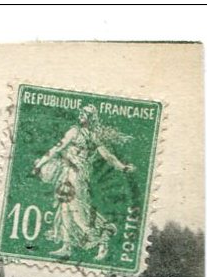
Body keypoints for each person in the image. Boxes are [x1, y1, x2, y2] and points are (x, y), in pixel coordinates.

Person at [32, 104, 135, 261]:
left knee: (77, 211)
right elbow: (56, 149)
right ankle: (67, 247)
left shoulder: (93, 136)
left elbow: (108, 156)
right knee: (65, 209)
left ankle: (103, 236)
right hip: (67, 174)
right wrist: (39, 165)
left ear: (91, 118)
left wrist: (123, 167)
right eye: (81, 112)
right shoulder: (74, 131)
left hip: (78, 176)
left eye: (85, 113)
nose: (81, 114)